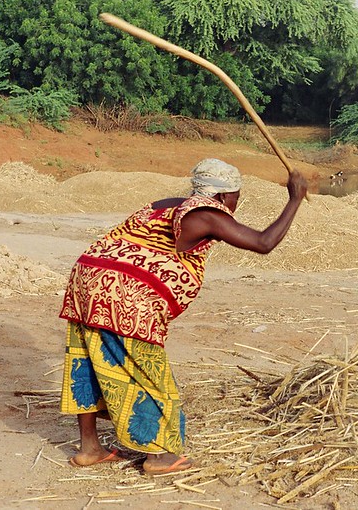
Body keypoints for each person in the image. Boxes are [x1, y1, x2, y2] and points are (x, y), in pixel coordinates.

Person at [59, 158, 307, 474]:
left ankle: (90, 449)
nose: (236, 203)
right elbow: (263, 242)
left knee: (89, 361)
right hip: (124, 292)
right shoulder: (207, 213)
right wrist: (294, 199)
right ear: (221, 196)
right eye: (235, 197)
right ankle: (160, 457)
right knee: (149, 372)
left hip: (88, 277)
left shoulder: (166, 204)